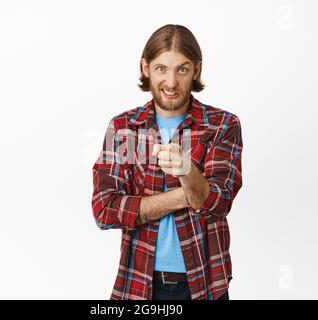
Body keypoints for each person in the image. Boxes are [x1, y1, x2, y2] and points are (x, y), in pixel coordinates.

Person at [91, 24, 243, 300]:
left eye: (181, 69)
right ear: (146, 67)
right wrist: (185, 196)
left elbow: (219, 204)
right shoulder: (125, 128)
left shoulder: (222, 126)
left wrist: (187, 170)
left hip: (207, 283)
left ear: (196, 70)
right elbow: (104, 209)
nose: (171, 82)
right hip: (138, 283)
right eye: (162, 68)